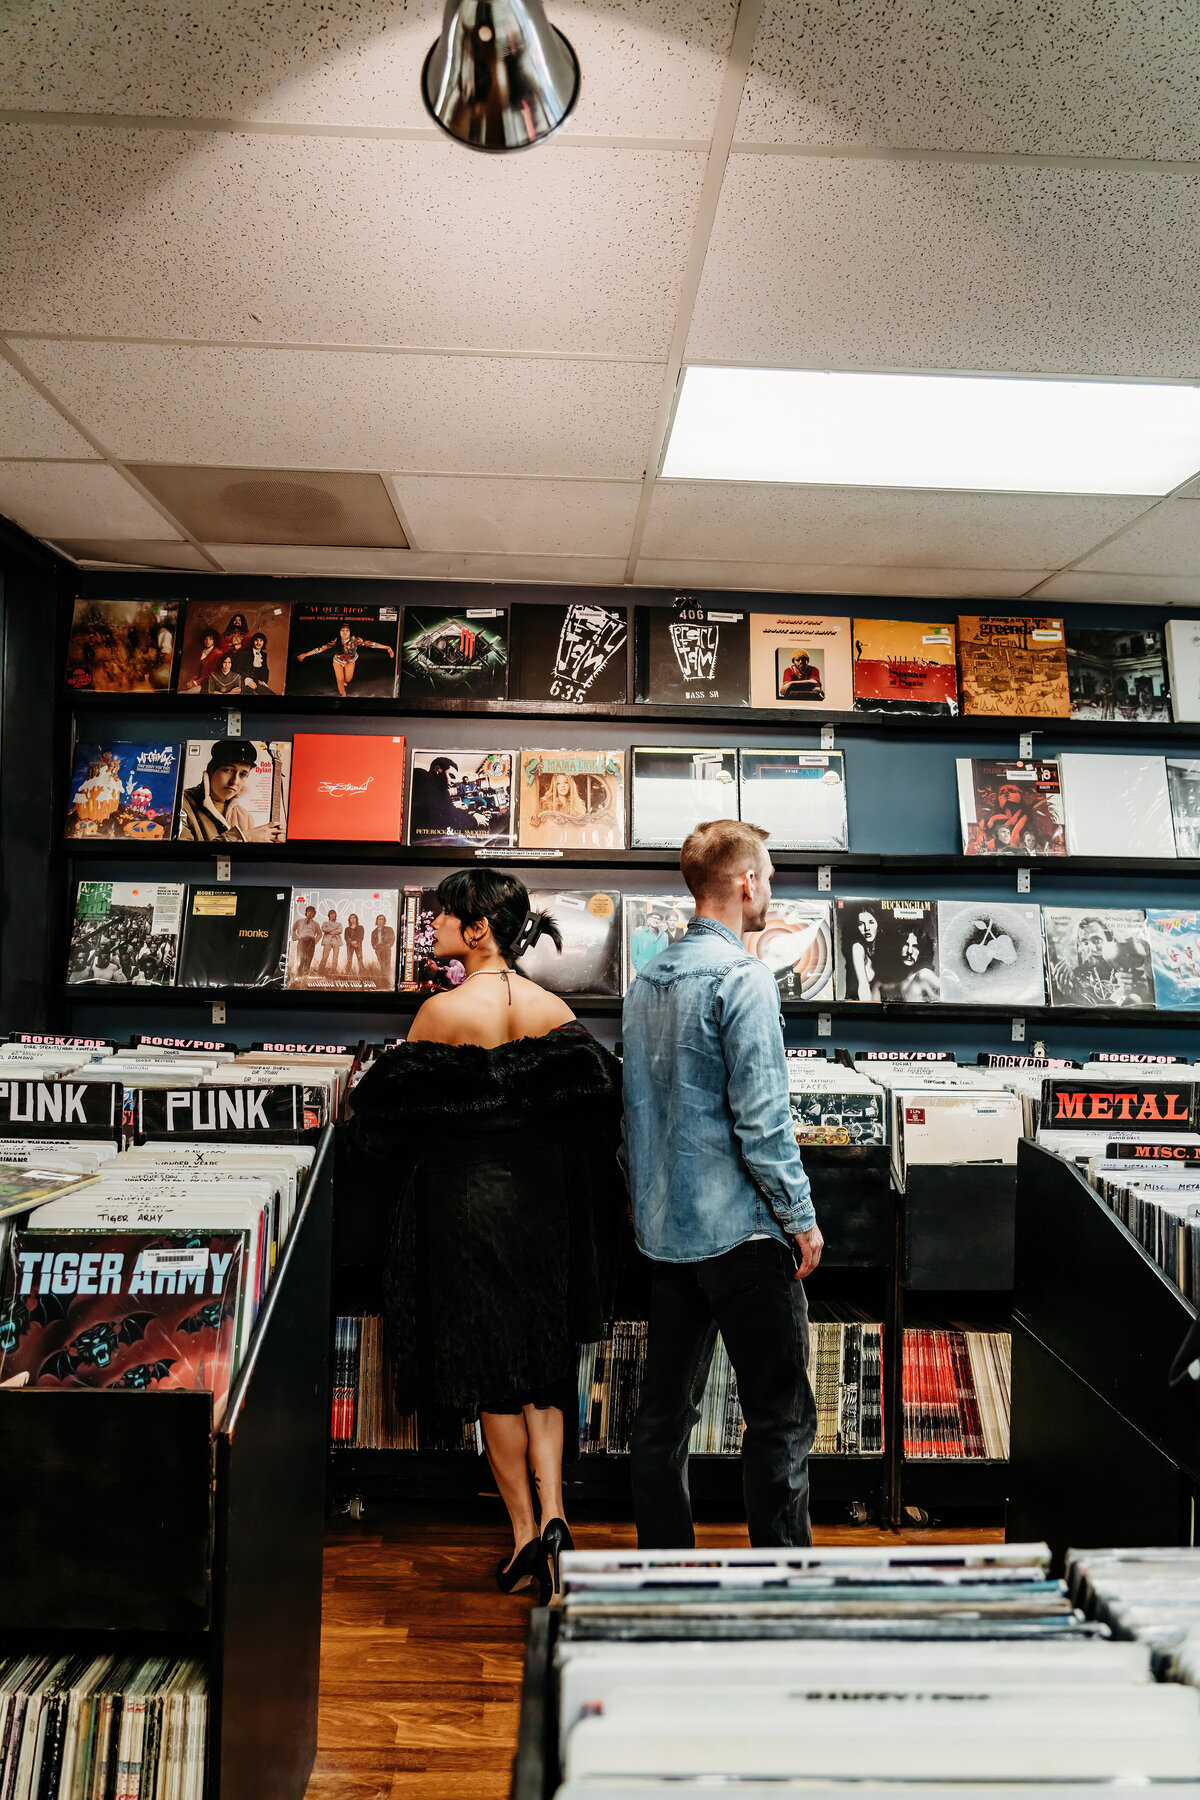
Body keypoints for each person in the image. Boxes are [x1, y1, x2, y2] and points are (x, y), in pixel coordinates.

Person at [343, 869, 624, 1602]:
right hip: (544, 1211)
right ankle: (560, 1515)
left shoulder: (439, 1013)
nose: (431, 926)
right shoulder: (553, 1008)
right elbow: (600, 1107)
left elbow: (381, 1127)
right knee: (542, 1365)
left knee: (492, 1376)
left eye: (443, 916)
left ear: (478, 929)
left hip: (466, 1211)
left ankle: (525, 1535)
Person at [623, 819, 822, 1549]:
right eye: (766, 876)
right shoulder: (743, 977)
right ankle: (783, 1580)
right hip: (741, 1235)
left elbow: (635, 1116)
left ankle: (662, 1576)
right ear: (745, 882)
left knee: (662, 1418)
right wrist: (800, 1219)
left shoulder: (646, 979)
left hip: (667, 1233)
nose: (769, 888)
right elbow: (764, 1122)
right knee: (779, 1418)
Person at [178, 739, 280, 844]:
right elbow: (186, 856)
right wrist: (243, 837)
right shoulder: (182, 803)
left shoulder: (245, 817)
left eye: (242, 774)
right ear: (211, 770)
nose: (234, 781)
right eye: (228, 770)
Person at [297, 622, 394, 696]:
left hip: (350, 661)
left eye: (347, 630)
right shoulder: (335, 642)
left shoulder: (356, 640)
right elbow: (320, 649)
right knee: (340, 679)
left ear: (350, 631)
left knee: (348, 678)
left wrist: (387, 647)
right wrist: (305, 654)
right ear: (339, 632)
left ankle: (345, 682)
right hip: (338, 661)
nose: (345, 632)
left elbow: (372, 644)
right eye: (342, 630)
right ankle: (343, 695)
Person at [291, 905, 321, 983]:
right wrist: (297, 937)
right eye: (309, 912)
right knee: (300, 959)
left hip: (311, 941)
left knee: (308, 960)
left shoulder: (316, 924)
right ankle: (298, 978)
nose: (310, 913)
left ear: (314, 914)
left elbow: (320, 933)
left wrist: (315, 941)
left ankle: (305, 978)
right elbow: (293, 929)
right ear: (306, 913)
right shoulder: (299, 921)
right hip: (302, 941)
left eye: (312, 912)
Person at [370, 912, 395, 987]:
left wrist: (389, 945)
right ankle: (383, 981)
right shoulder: (374, 932)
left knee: (387, 964)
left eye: (382, 919)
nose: (380, 921)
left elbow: (392, 938)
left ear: (384, 921)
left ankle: (387, 981)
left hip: (386, 948)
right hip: (378, 949)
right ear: (376, 921)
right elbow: (372, 941)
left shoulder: (389, 929)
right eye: (379, 919)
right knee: (382, 965)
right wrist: (374, 946)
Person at [344, 913, 365, 978]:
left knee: (360, 958)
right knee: (349, 958)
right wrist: (351, 942)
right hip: (350, 946)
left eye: (354, 918)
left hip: (358, 945)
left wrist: (356, 942)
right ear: (349, 920)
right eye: (351, 918)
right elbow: (346, 937)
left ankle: (362, 973)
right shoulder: (347, 929)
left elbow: (361, 936)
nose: (353, 919)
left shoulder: (360, 927)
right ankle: (348, 972)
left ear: (356, 919)